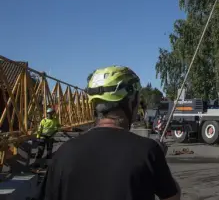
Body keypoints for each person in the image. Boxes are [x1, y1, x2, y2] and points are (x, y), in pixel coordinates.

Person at [34, 66, 181, 200]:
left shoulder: (64, 153)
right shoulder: (148, 151)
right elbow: (172, 197)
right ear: (130, 103)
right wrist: (158, 161)